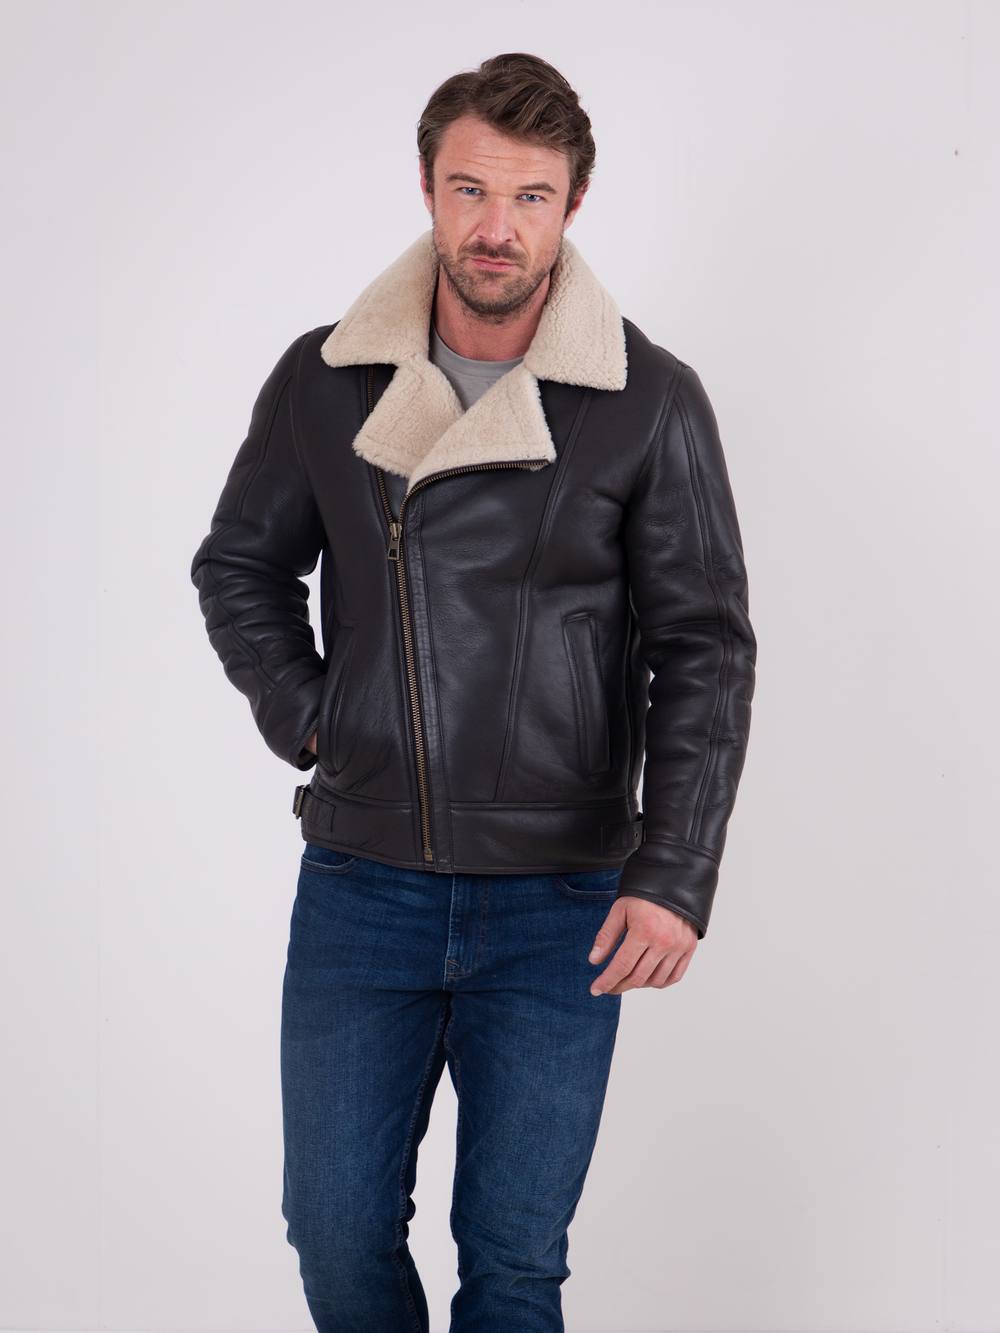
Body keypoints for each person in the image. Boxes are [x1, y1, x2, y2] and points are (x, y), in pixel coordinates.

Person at [190, 50, 757, 1333]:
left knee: (512, 1265)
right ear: (428, 191)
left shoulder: (648, 401)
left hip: (561, 899)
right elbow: (239, 567)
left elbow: (705, 646)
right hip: (362, 880)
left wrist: (674, 871)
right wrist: (317, 717)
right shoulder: (326, 376)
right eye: (470, 189)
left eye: (530, 196)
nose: (497, 226)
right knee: (334, 1236)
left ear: (572, 205)